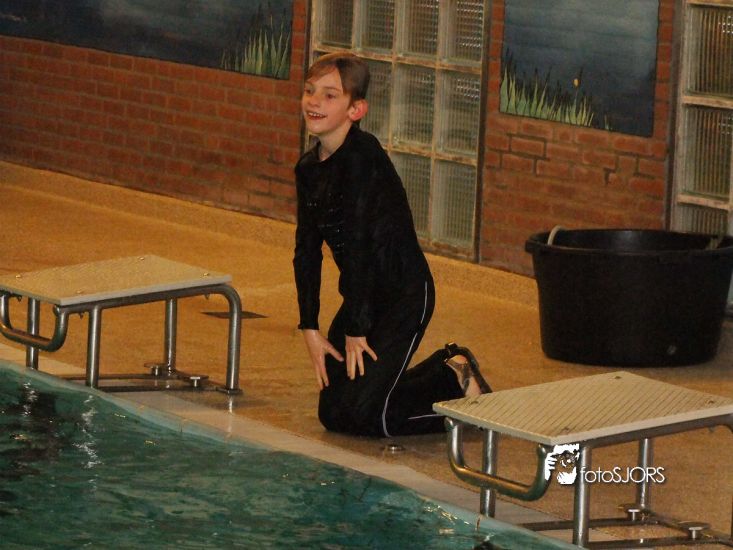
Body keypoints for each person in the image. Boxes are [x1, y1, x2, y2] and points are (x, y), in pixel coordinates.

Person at [293, 52, 491, 437]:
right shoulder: (308, 168)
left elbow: (362, 245)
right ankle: (447, 372)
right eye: (309, 91)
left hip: (404, 295)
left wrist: (357, 328)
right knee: (334, 414)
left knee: (371, 417)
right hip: (363, 296)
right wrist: (310, 327)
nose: (314, 101)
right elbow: (306, 250)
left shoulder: (363, 157)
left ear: (356, 109)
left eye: (330, 95)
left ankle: (459, 386)